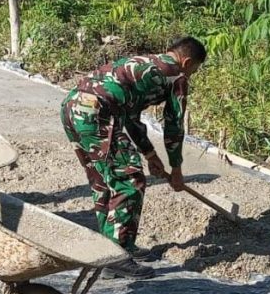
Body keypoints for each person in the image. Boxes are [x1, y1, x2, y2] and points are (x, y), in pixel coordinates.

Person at [60, 37, 207, 279]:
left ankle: (110, 248)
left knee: (104, 181)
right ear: (187, 61)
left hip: (72, 107)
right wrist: (177, 169)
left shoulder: (142, 64)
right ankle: (117, 256)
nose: (191, 75)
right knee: (130, 180)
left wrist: (150, 154)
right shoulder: (176, 76)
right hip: (98, 112)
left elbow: (130, 117)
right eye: (194, 70)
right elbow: (174, 127)